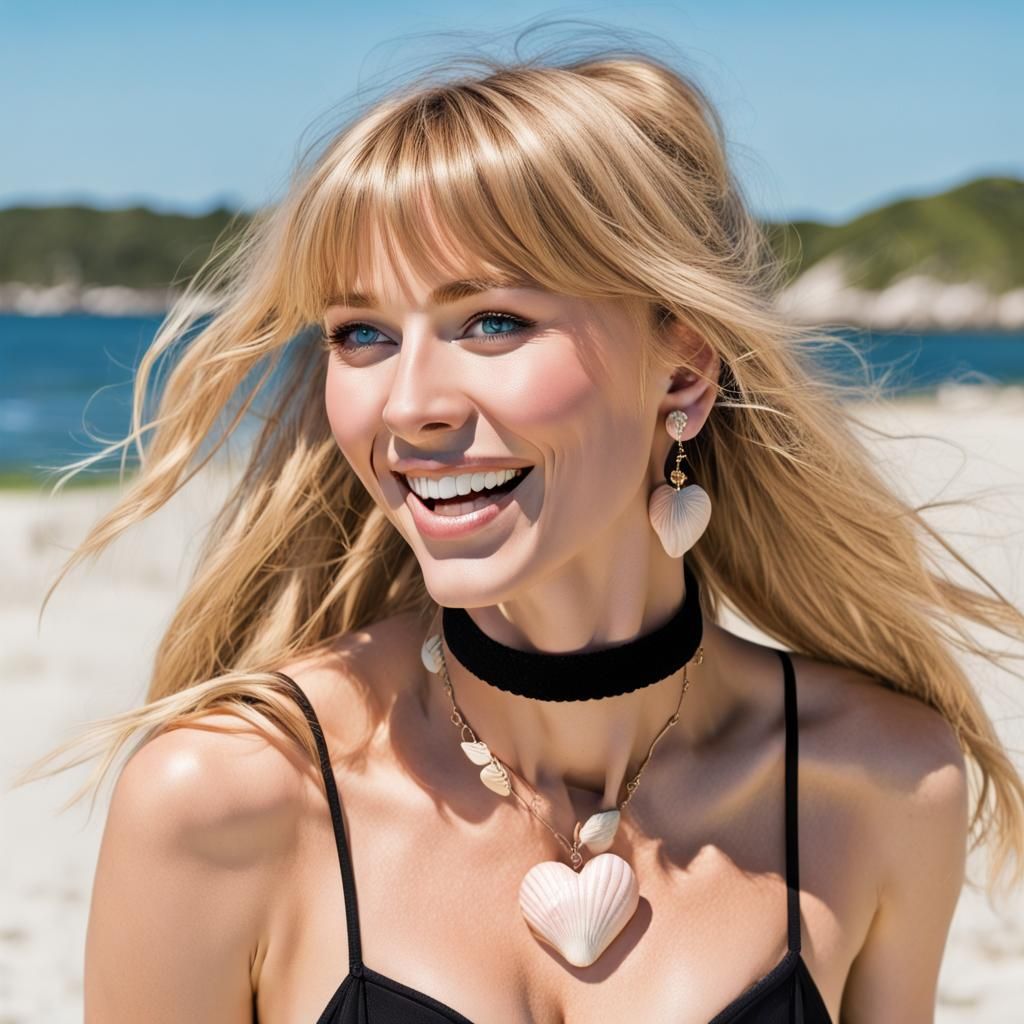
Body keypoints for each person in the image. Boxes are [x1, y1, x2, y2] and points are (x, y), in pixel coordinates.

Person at [17, 22, 1024, 1024]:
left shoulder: (881, 781)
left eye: (491, 320)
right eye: (360, 333)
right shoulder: (226, 798)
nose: (409, 402)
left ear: (681, 371)